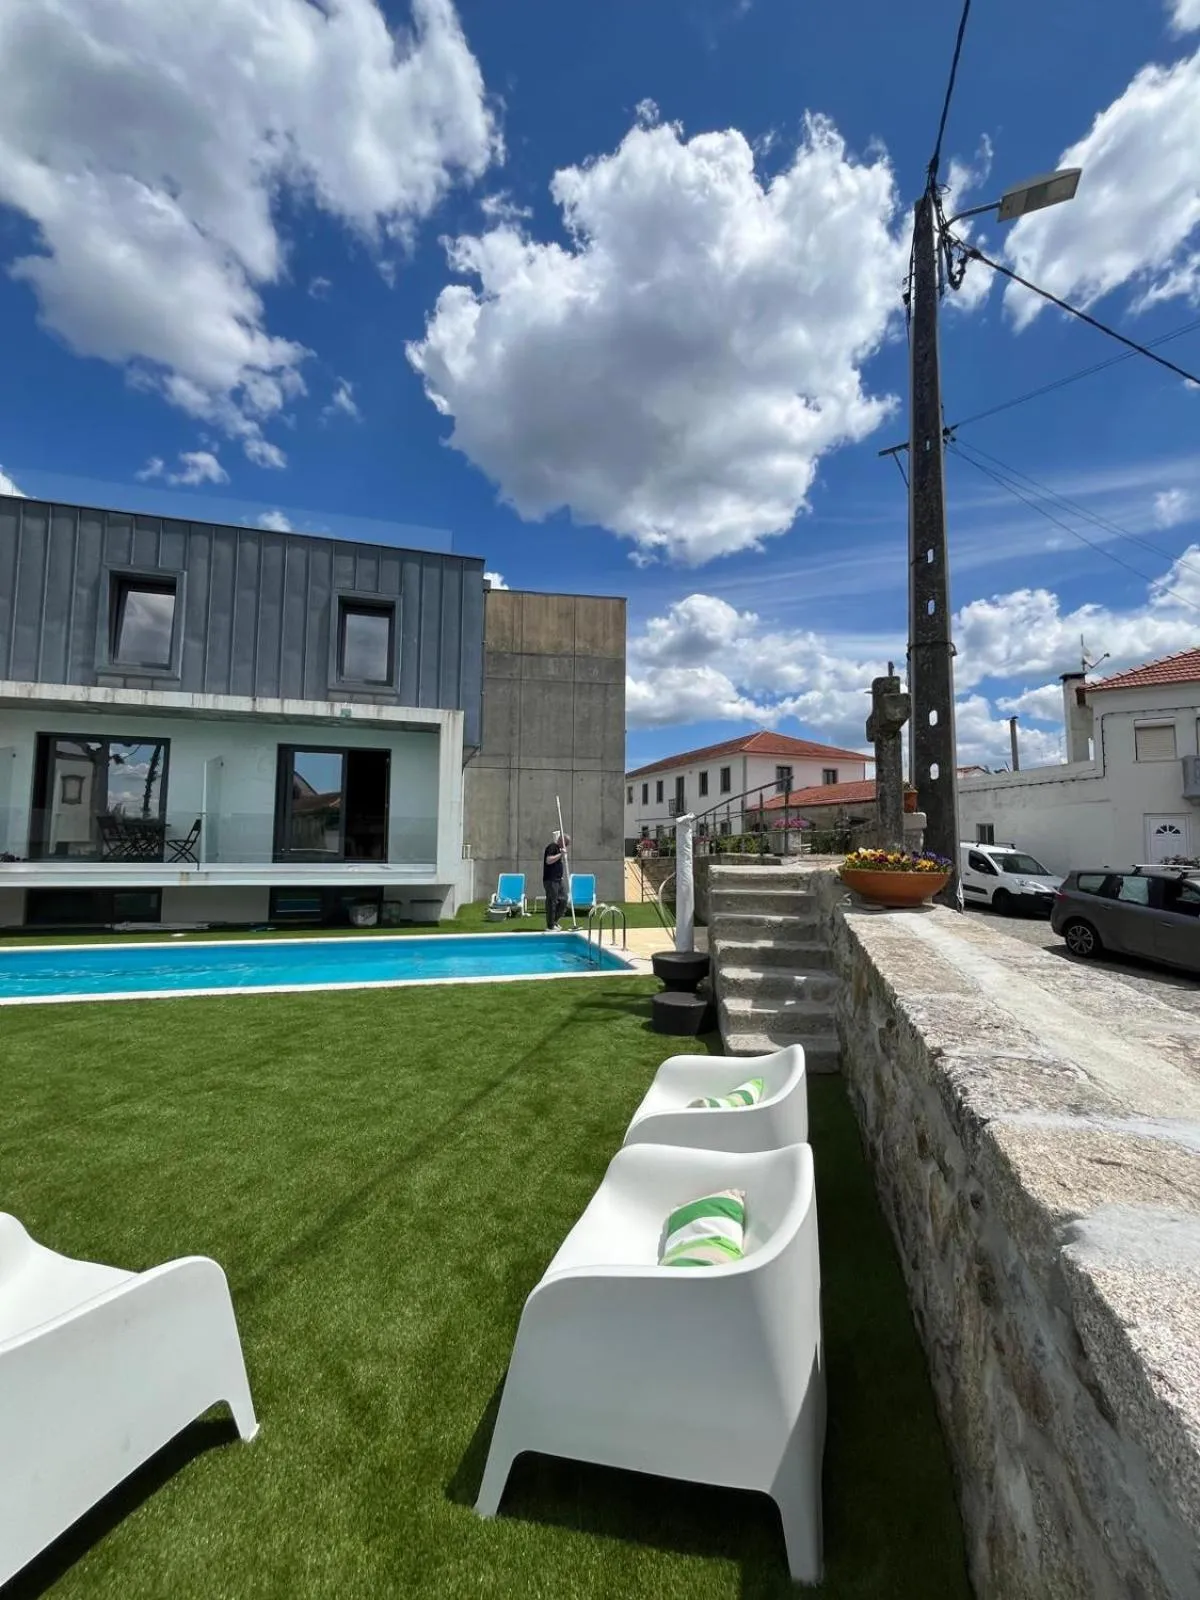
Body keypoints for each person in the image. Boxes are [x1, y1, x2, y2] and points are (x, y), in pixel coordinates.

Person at [543, 829, 570, 930]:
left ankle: (554, 921)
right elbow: (548, 860)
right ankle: (550, 926)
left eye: (567, 845)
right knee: (552, 902)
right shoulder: (552, 847)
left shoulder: (559, 849)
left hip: (558, 880)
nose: (565, 846)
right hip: (551, 880)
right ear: (561, 841)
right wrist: (561, 855)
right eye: (565, 844)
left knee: (564, 900)